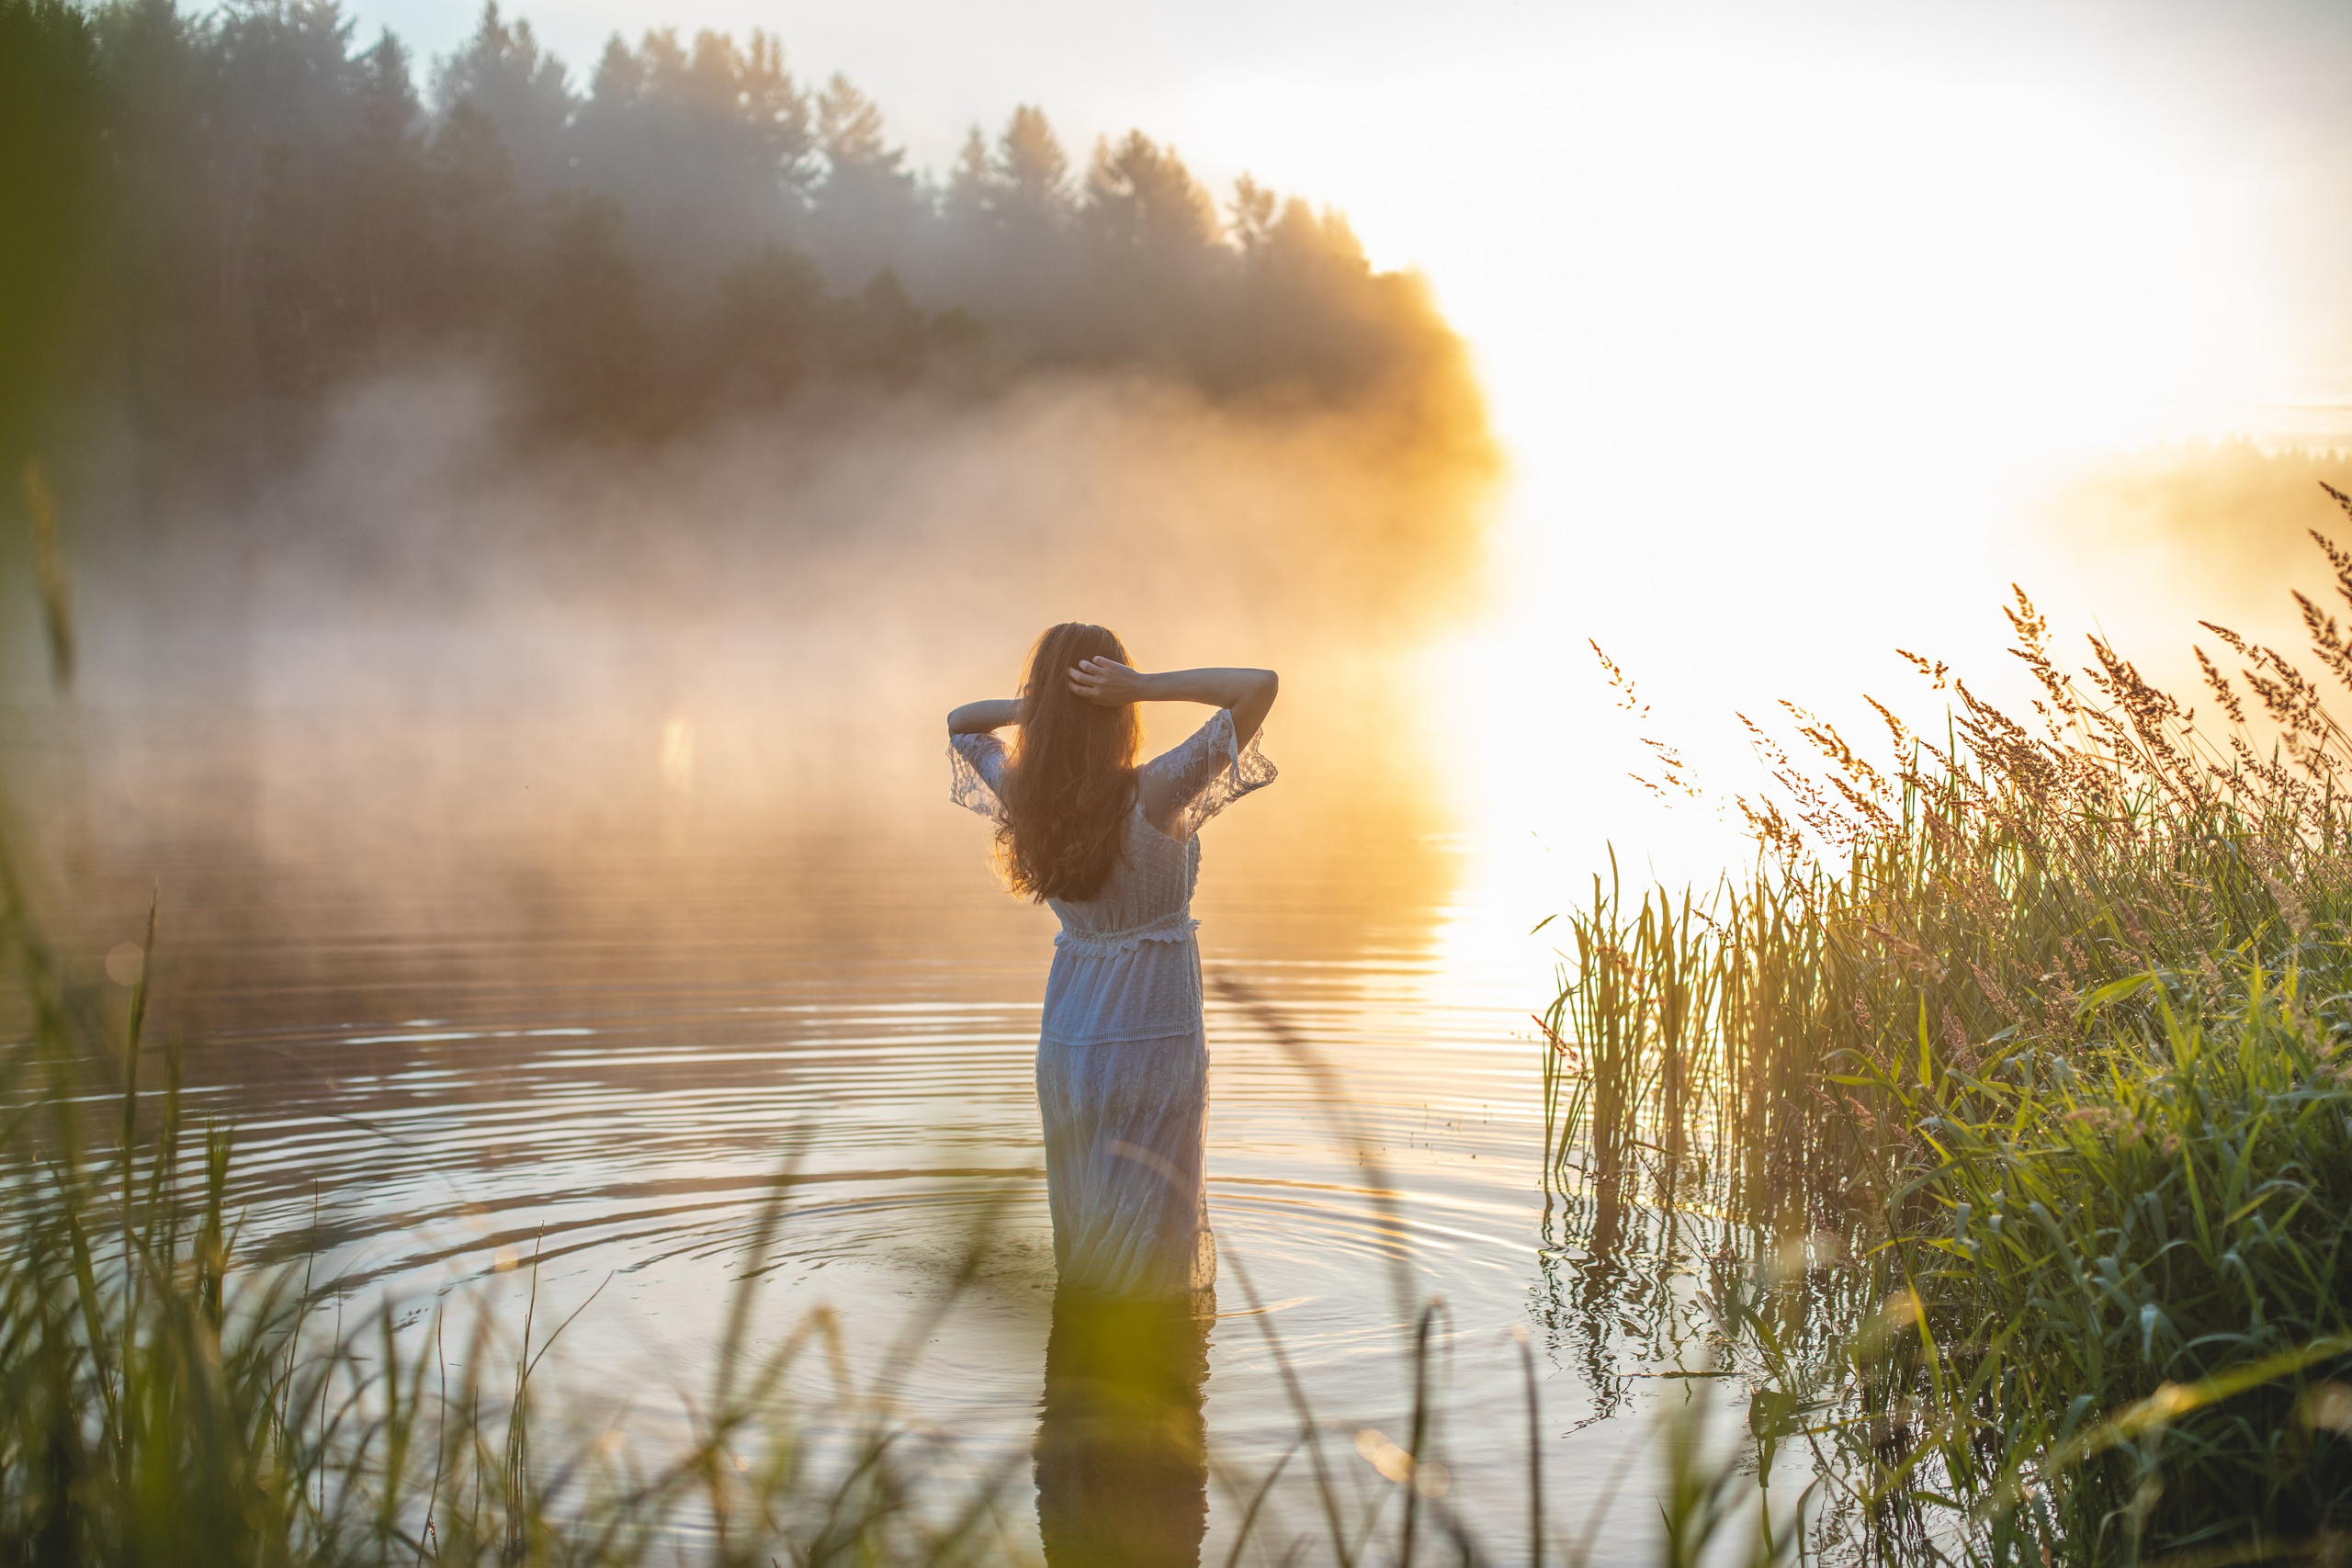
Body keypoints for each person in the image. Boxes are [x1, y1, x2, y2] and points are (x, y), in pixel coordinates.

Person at [946, 622, 1277, 1298]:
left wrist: (1039, 710)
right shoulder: (1157, 790)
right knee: (1151, 1252)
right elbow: (1259, 689)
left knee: (1088, 1244)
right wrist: (1142, 688)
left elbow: (961, 723)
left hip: (1071, 1044)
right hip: (1152, 1041)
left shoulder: (1026, 794)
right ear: (1116, 709)